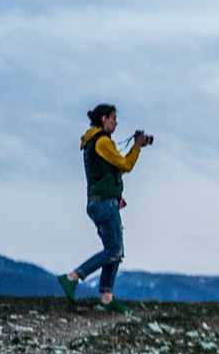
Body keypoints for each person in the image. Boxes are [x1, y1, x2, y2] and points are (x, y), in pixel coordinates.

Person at [58, 103, 152, 312]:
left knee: (116, 250)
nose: (116, 122)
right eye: (113, 118)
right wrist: (136, 146)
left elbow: (120, 165)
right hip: (104, 203)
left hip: (100, 202)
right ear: (103, 119)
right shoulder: (101, 142)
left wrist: (136, 148)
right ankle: (73, 277)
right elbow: (125, 165)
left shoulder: (96, 142)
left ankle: (107, 297)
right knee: (113, 250)